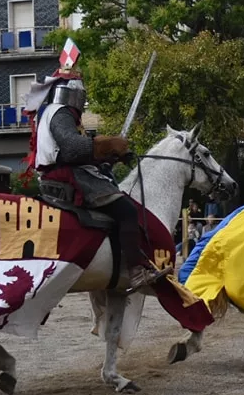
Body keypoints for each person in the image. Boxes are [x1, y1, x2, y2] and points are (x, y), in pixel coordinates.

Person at [22, 57, 170, 288]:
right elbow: (72, 149)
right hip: (67, 176)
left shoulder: (52, 112)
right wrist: (106, 143)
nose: (82, 101)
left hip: (70, 171)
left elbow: (80, 153)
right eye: (81, 95)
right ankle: (136, 271)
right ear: (73, 94)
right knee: (127, 211)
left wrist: (110, 157)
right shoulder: (60, 113)